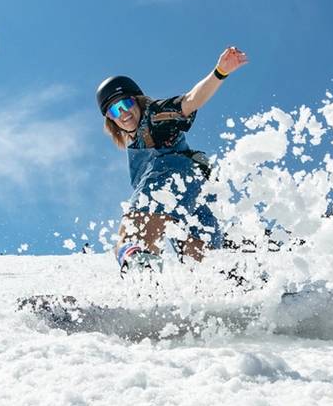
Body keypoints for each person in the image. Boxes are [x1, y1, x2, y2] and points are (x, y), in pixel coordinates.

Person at [96, 46, 249, 270]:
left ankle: (140, 269)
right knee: (199, 263)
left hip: (174, 175)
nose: (124, 113)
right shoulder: (136, 146)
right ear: (110, 120)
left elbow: (190, 101)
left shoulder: (155, 115)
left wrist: (220, 72)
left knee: (131, 235)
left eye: (126, 104)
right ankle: (233, 288)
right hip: (200, 191)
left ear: (137, 101)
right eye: (114, 111)